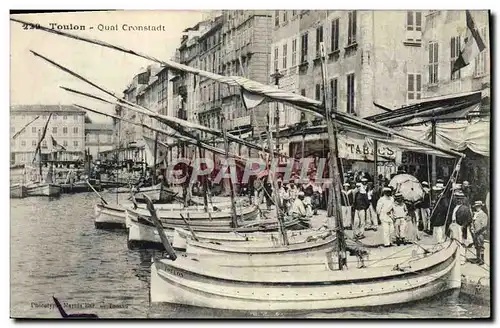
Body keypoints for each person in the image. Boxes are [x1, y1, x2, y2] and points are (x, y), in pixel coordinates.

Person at [470, 201, 488, 265]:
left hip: (480, 233)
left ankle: (482, 260)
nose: (477, 208)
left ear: (481, 206)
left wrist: (477, 230)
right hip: (475, 232)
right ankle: (478, 258)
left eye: (478, 206)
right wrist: (472, 228)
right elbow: (472, 222)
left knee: (481, 246)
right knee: (476, 245)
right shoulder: (475, 214)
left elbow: (484, 225)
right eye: (476, 206)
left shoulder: (483, 214)